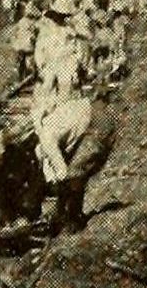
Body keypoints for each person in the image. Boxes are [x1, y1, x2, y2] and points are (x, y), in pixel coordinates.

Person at [31, 92, 118, 234]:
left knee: (75, 174)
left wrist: (57, 191)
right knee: (75, 173)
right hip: (91, 118)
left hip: (97, 123)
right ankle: (69, 217)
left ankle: (73, 222)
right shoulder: (48, 136)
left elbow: (62, 172)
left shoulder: (48, 143)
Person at [9, 0, 38, 83]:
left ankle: (27, 78)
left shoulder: (28, 17)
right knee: (21, 61)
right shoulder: (21, 18)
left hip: (26, 40)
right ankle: (21, 79)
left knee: (27, 61)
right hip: (22, 41)